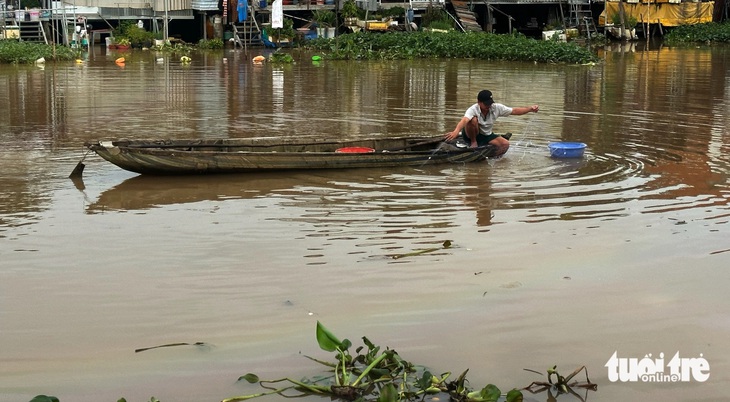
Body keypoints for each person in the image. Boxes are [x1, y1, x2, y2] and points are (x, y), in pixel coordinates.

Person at [445, 90, 539, 156]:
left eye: (490, 104)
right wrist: (456, 131)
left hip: (486, 134)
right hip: (471, 134)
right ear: (479, 102)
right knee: (472, 120)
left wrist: (530, 109)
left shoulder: (496, 107)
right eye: (486, 104)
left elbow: (514, 111)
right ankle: (474, 142)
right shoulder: (473, 109)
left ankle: (492, 158)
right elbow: (464, 120)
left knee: (505, 144)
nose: (488, 106)